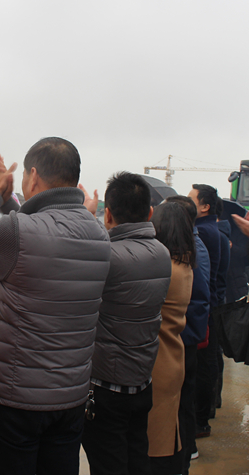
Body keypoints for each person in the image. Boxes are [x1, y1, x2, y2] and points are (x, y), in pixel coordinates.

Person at [0, 137, 111, 475]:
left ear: (32, 176)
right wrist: (8, 202)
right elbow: (34, 233)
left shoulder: (19, 233)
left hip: (16, 398)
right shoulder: (99, 234)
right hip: (70, 396)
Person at [80, 172, 171, 475]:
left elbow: (83, 252)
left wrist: (87, 216)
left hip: (106, 385)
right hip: (142, 380)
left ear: (108, 214)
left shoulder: (108, 256)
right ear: (150, 213)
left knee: (108, 464)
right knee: (136, 458)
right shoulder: (162, 254)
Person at [146, 202, 194, 475]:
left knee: (157, 441)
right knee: (168, 432)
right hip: (173, 355)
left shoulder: (166, 269)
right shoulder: (184, 264)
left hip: (159, 360)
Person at [165, 194, 210, 467]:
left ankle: (186, 449)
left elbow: (200, 298)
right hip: (186, 335)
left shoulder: (190, 254)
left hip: (184, 338)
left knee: (182, 400)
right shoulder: (187, 249)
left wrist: (184, 333)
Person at [188, 184, 222, 438]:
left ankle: (200, 420)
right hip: (209, 305)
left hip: (205, 308)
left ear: (204, 206)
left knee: (202, 367)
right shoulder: (210, 230)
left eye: (191, 200)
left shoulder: (204, 233)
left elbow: (203, 279)